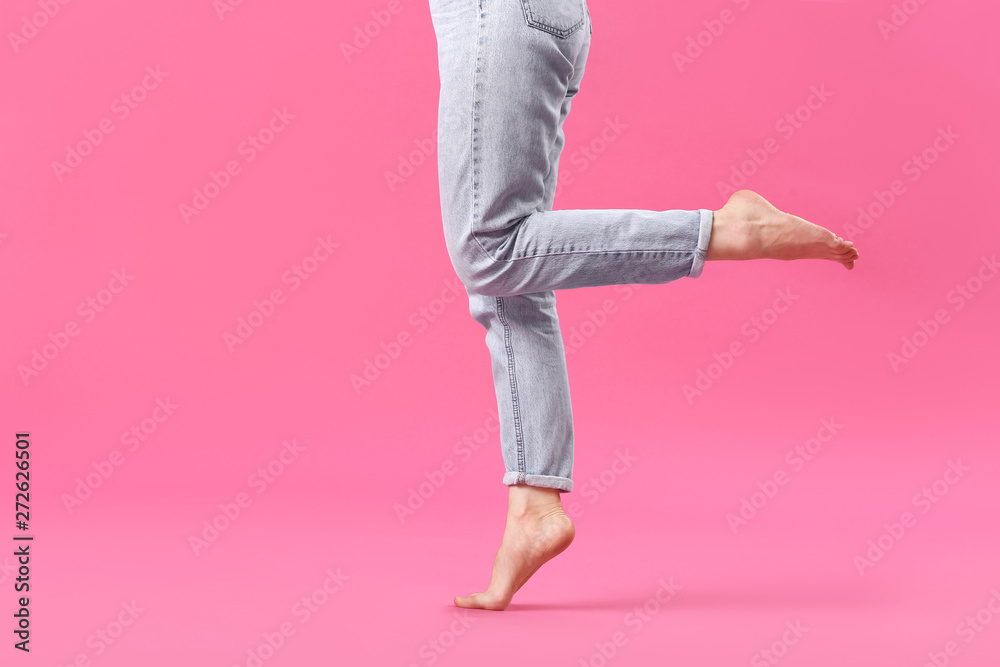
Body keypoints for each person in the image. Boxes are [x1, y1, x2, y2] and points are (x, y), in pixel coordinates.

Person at [427, 0, 859, 611]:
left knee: (491, 248)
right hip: (526, 18)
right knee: (514, 270)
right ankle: (533, 505)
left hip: (496, 15)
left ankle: (724, 231)